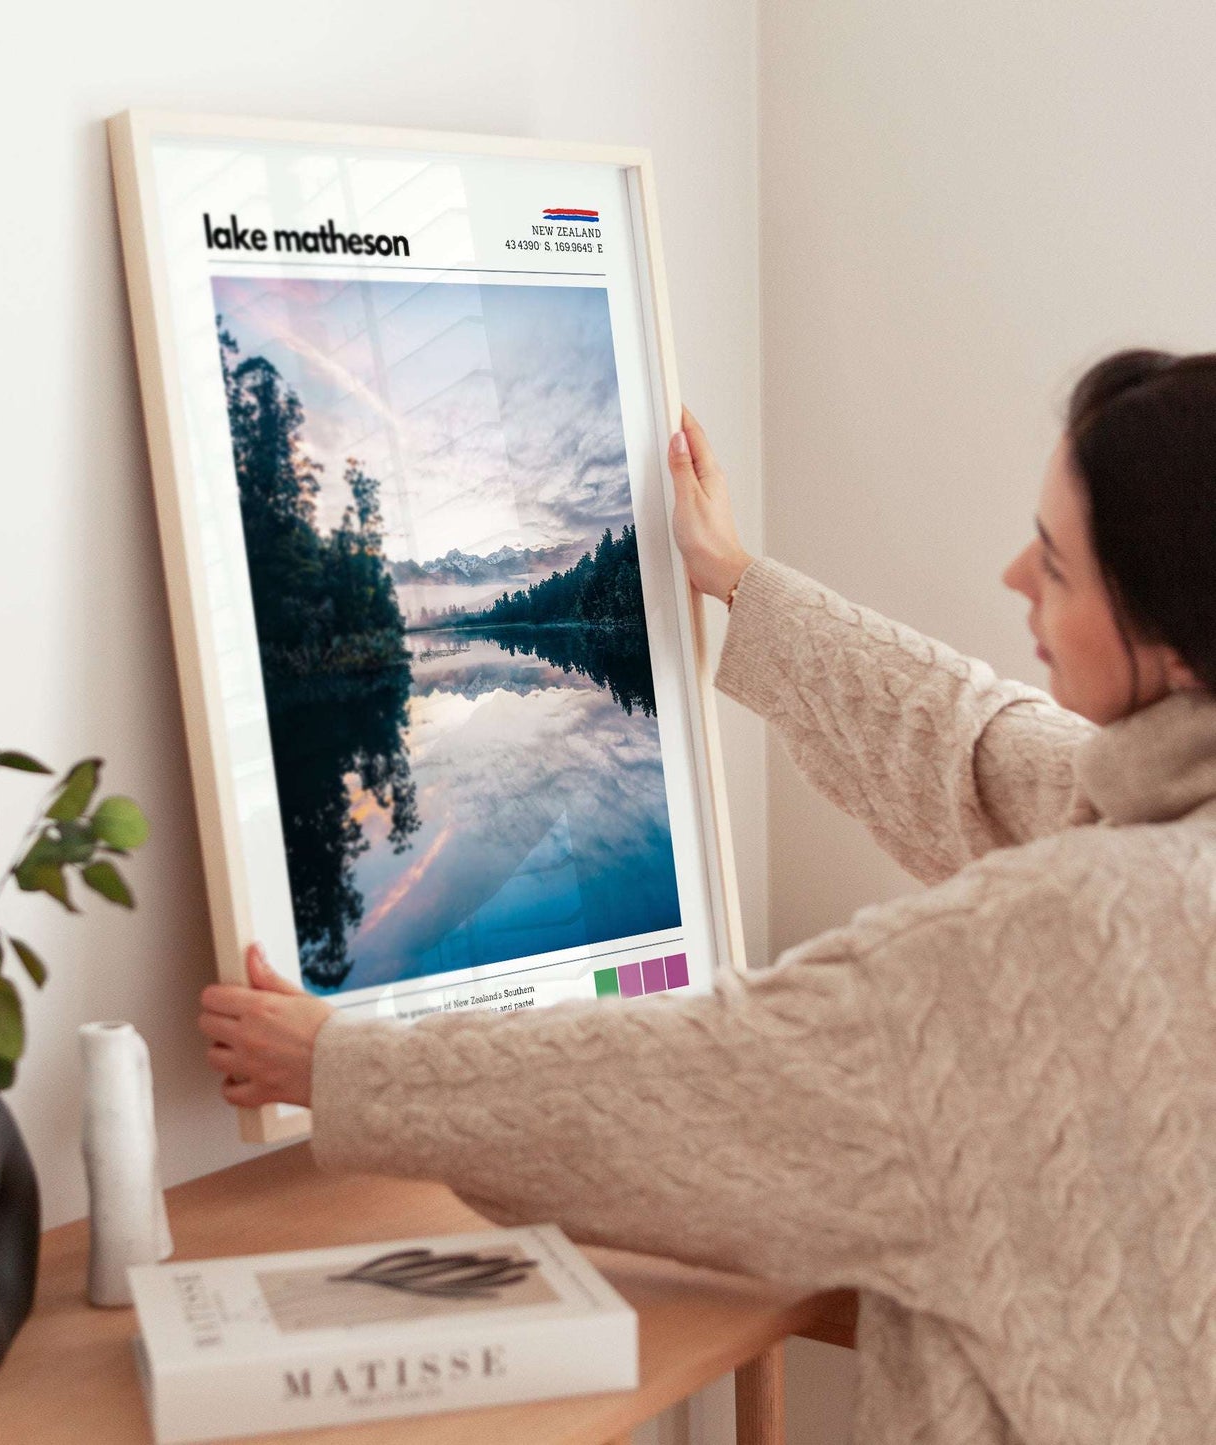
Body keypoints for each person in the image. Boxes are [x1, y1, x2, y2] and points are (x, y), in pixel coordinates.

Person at [197, 349, 1216, 1443]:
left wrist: (337, 1064)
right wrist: (735, 577)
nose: (1015, 574)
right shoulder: (1161, 816)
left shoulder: (1056, 939)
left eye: (1056, 566)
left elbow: (698, 1085)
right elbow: (973, 748)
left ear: (1167, 638)